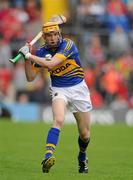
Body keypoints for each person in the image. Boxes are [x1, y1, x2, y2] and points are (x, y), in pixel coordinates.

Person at [19, 20, 92, 173]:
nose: (52, 38)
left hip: (79, 89)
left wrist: (29, 55)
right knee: (58, 120)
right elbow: (31, 77)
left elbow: (51, 64)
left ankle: (82, 156)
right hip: (59, 89)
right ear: (44, 38)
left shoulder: (68, 45)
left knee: (85, 135)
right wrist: (26, 59)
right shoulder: (40, 52)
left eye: (54, 34)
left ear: (59, 34)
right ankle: (47, 157)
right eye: (48, 35)